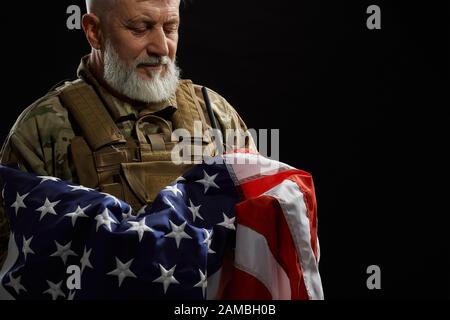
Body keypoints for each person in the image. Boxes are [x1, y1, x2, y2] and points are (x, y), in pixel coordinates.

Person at [0, 0, 255, 265]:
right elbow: (15, 268)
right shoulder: (43, 129)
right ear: (94, 32)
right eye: (140, 28)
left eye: (170, 28)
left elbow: (258, 233)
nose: (161, 48)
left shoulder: (214, 114)